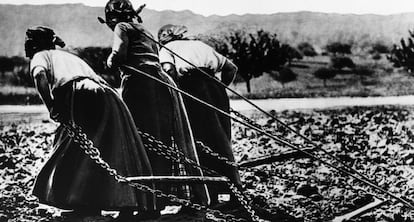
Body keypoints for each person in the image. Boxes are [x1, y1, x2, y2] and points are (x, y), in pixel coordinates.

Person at [25, 26, 158, 221]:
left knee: (73, 147)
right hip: (108, 95)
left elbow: (39, 76)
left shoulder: (41, 56)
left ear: (34, 44)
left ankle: (82, 201)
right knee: (112, 148)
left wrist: (51, 105)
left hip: (79, 93)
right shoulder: (69, 57)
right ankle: (121, 204)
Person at [98, 0, 210, 215]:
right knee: (161, 140)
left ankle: (147, 203)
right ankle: (159, 200)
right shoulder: (144, 29)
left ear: (112, 19)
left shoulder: (122, 28)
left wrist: (110, 62)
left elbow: (119, 54)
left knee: (139, 140)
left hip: (141, 84)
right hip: (162, 83)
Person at [157, 24, 242, 207]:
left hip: (191, 90)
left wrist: (176, 93)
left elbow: (169, 71)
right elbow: (231, 68)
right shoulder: (201, 45)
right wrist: (219, 87)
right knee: (221, 139)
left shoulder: (167, 49)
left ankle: (208, 193)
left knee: (199, 140)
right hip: (216, 90)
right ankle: (234, 190)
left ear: (164, 38)